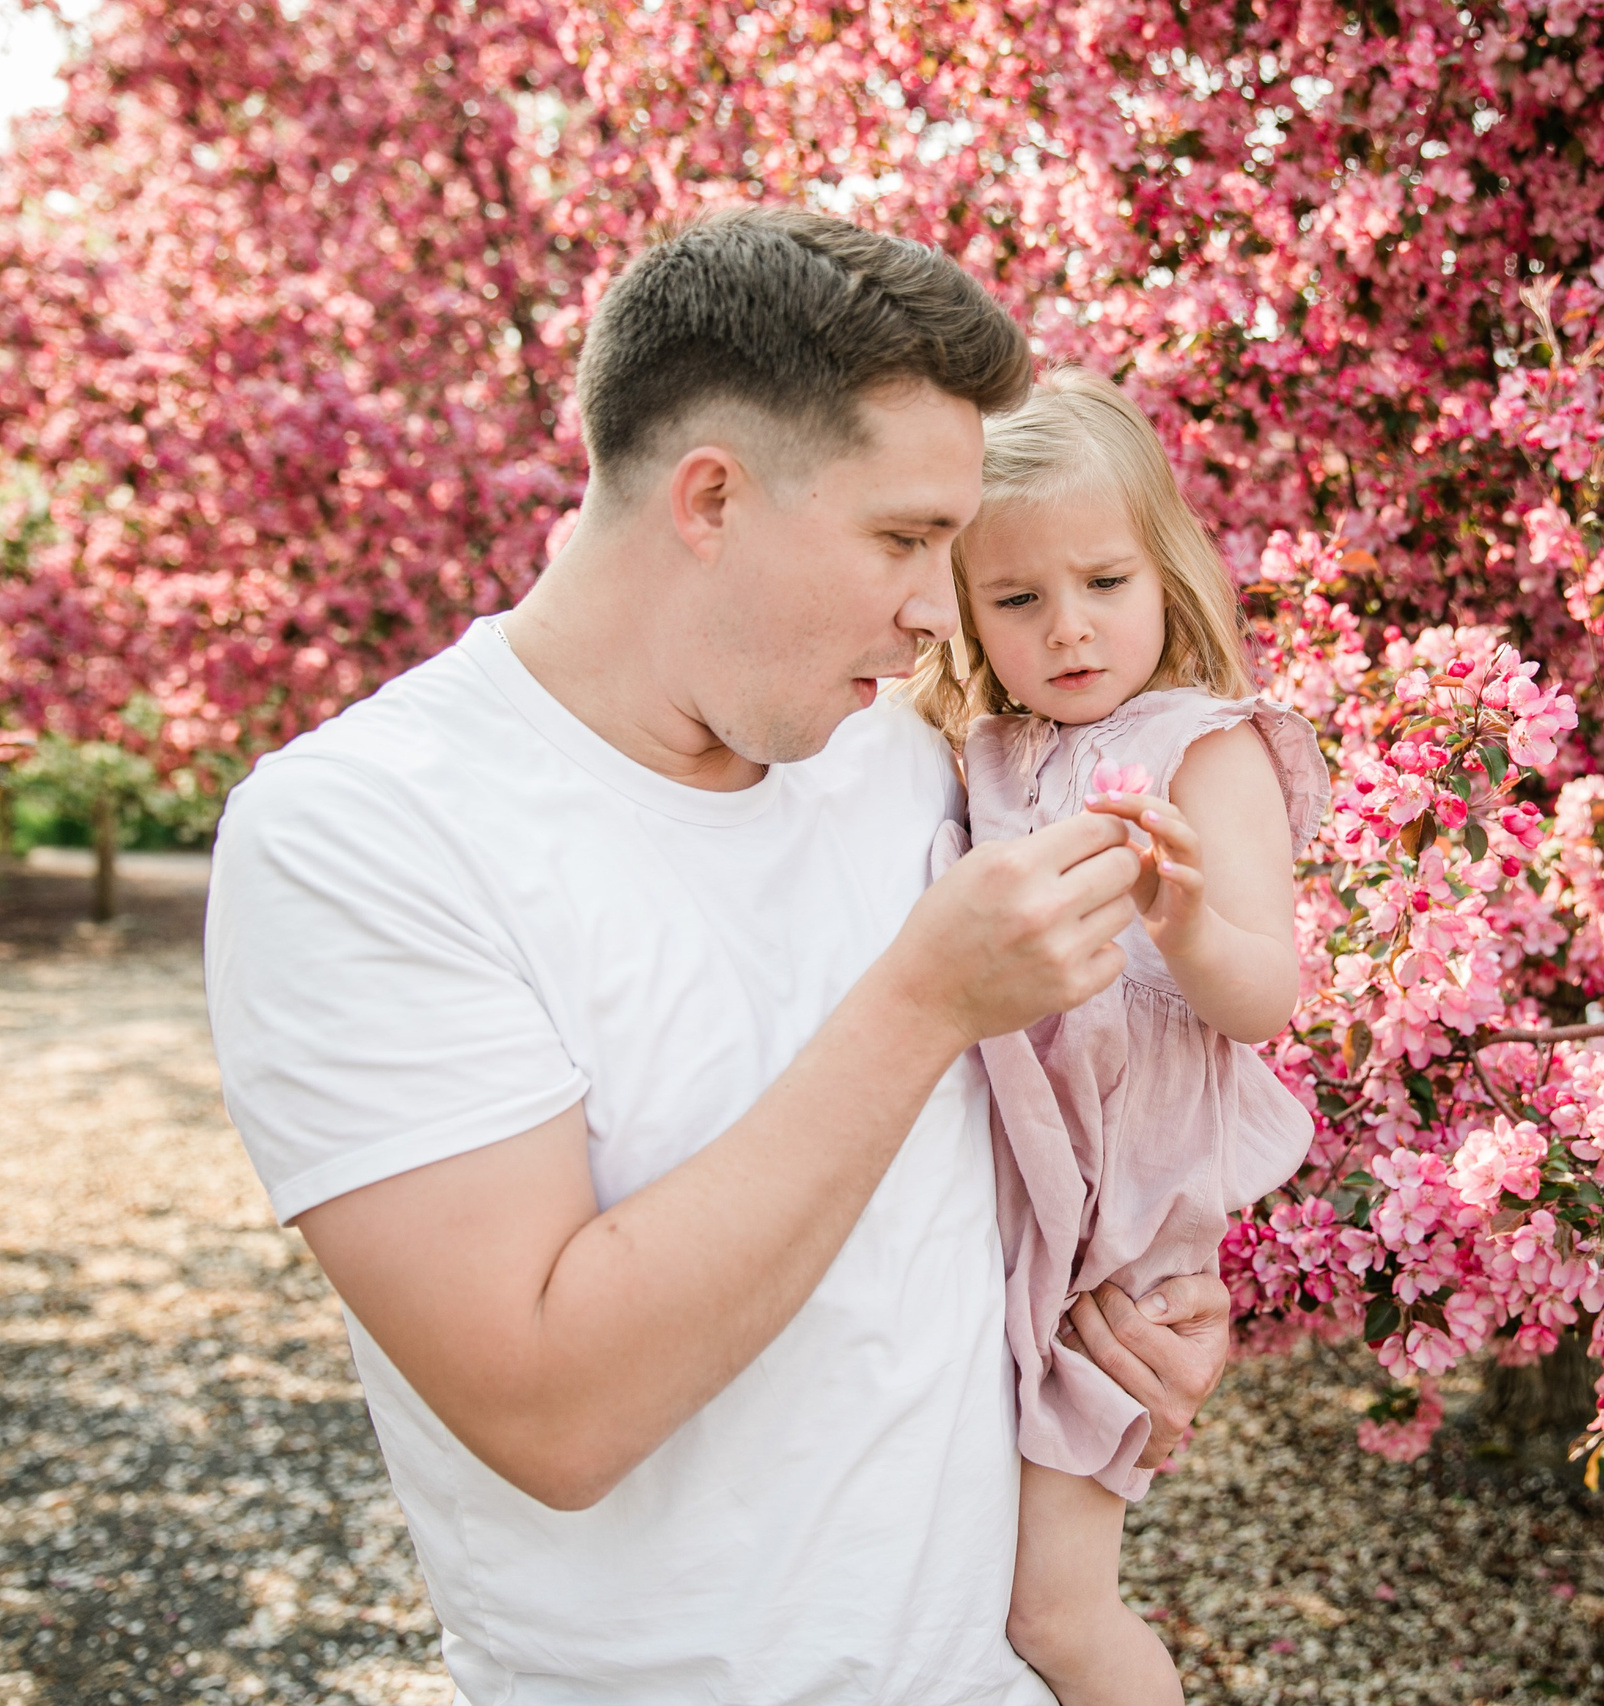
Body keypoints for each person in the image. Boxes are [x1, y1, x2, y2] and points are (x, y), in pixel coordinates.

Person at [202, 210, 1234, 1704]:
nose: (937, 609)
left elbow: (1015, 1166)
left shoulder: (901, 758)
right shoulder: (364, 834)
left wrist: (1139, 1312)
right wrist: (922, 1001)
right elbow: (552, 1409)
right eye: (903, 539)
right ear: (710, 498)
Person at [903, 370, 1326, 1704]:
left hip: (1127, 1224)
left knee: (1057, 1606)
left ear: (1165, 571)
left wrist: (1183, 920)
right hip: (1011, 1198)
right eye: (1018, 599)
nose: (1069, 628)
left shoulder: (1209, 749)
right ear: (966, 610)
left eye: (1103, 582)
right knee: (959, 1567)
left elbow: (1264, 995)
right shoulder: (983, 747)